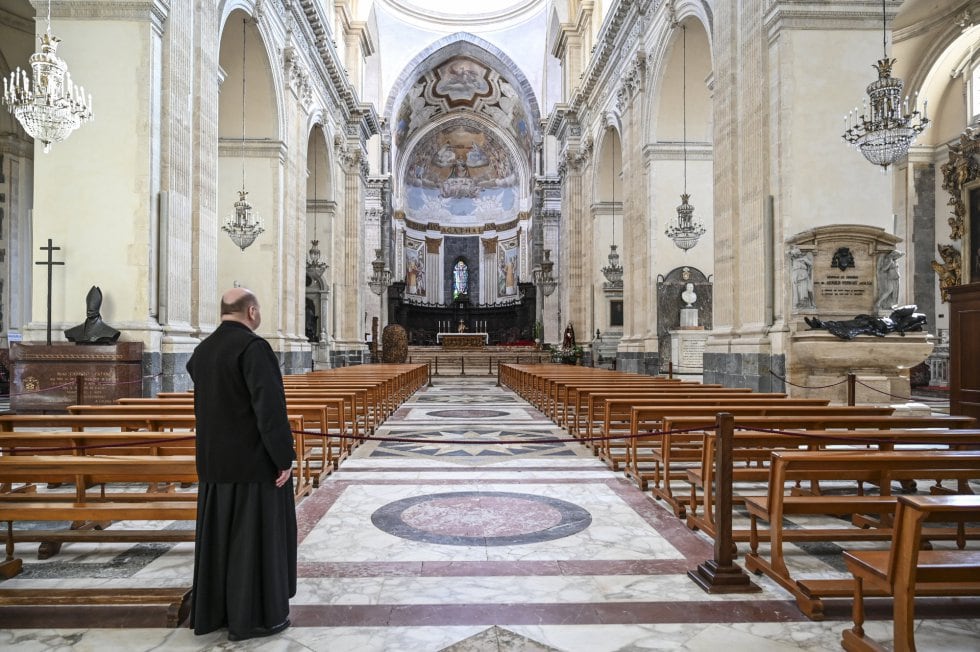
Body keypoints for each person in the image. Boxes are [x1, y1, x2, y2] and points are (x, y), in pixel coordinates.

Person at [186, 288, 296, 641]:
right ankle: (257, 616)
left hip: (215, 465)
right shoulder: (253, 348)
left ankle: (216, 611)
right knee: (253, 541)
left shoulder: (202, 351)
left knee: (220, 541)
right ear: (251, 311)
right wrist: (283, 458)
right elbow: (270, 411)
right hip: (252, 466)